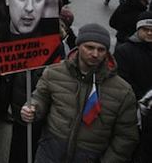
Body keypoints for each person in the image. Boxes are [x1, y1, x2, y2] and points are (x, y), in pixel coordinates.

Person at [20, 24, 139, 163]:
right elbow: (40, 97)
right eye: (89, 47)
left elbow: (126, 136)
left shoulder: (123, 91)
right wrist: (33, 108)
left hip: (91, 156)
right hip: (50, 151)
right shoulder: (53, 72)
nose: (95, 54)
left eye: (101, 50)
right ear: (78, 46)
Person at [115, 11, 152, 162]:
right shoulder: (124, 50)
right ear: (138, 30)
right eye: (145, 29)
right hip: (133, 112)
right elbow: (122, 81)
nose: (150, 32)